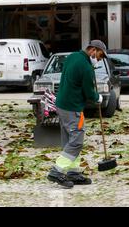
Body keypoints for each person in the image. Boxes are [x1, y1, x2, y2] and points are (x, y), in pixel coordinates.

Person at [47, 40, 107, 189]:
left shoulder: (73, 56)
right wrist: (97, 97)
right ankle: (57, 171)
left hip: (62, 104)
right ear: (93, 50)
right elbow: (88, 92)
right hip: (73, 107)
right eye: (99, 56)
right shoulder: (86, 67)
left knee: (69, 139)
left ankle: (73, 173)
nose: (99, 59)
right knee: (77, 141)